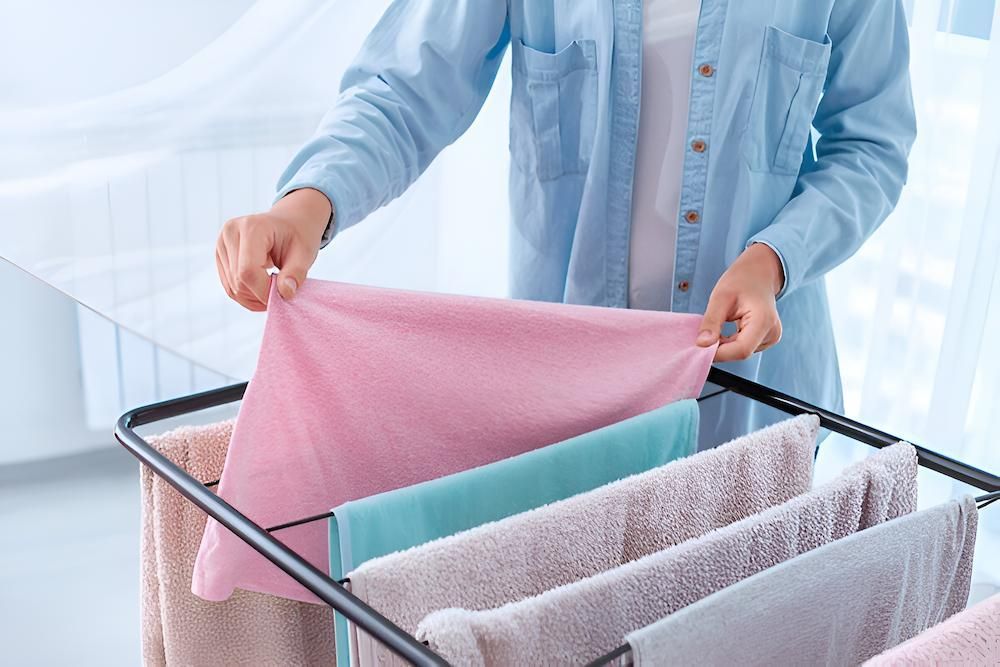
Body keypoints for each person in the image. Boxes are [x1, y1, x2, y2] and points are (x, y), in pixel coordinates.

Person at [215, 0, 915, 444]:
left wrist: (773, 259)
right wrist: (307, 203)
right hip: (567, 392)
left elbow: (872, 146)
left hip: (754, 397)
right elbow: (405, 89)